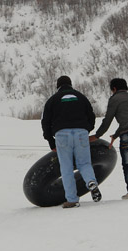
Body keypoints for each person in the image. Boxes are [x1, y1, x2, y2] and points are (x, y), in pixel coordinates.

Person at [41, 75, 102, 208]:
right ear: (71, 84)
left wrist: (51, 142)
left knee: (66, 167)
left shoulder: (53, 99)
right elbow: (91, 115)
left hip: (62, 134)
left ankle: (72, 199)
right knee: (84, 163)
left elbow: (45, 122)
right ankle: (91, 181)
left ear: (58, 86)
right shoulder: (81, 97)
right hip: (81, 132)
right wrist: (87, 130)